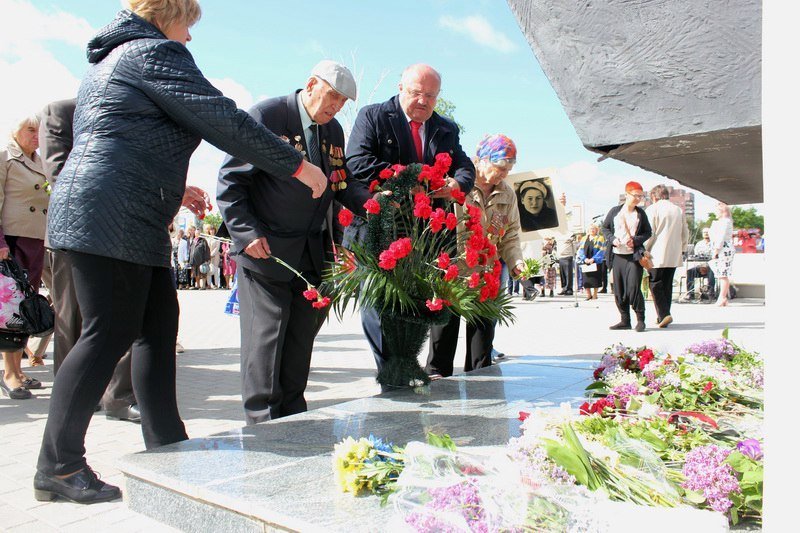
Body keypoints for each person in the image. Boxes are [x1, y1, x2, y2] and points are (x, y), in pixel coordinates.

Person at [36, 0, 328, 505]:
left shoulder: (114, 58)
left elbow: (126, 139)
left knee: (156, 326)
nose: (189, 38)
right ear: (166, 15)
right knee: (106, 334)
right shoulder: (153, 52)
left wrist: (179, 191)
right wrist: (296, 165)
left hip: (127, 212)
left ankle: (167, 444)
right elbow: (222, 118)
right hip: (112, 215)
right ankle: (57, 466)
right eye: (187, 25)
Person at [218, 60, 371, 425]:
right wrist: (246, 232)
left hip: (310, 254)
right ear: (311, 84)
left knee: (300, 341)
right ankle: (263, 423)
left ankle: (293, 418)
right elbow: (230, 182)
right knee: (266, 340)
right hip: (265, 251)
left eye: (342, 102)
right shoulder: (268, 115)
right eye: (332, 95)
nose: (335, 106)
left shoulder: (332, 130)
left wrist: (374, 204)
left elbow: (339, 183)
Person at [345, 64, 475, 377]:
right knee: (379, 303)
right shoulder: (373, 116)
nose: (423, 101)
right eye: (416, 92)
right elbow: (358, 162)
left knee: (415, 305)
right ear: (401, 87)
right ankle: (391, 371)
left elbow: (464, 166)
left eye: (430, 95)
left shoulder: (446, 128)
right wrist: (410, 178)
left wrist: (457, 184)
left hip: (422, 235)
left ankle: (407, 366)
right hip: (380, 229)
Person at [39, 97, 142, 423]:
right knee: (72, 318)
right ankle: (75, 396)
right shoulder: (60, 112)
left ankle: (119, 397)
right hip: (74, 235)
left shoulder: (128, 115)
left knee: (126, 317)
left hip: (124, 234)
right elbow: (59, 175)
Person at [426, 134, 524, 377]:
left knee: (482, 345)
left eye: (508, 169)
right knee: (443, 339)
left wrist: (516, 263)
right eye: (500, 167)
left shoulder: (507, 194)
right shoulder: (459, 182)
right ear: (481, 160)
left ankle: (481, 383)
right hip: (452, 274)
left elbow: (510, 235)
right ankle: (438, 385)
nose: (503, 174)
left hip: (486, 277)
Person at [0, 114, 49, 400]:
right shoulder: (6, 156)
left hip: (36, 240)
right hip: (12, 242)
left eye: (39, 131)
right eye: (30, 130)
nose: (36, 135)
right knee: (11, 312)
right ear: (15, 131)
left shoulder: (41, 162)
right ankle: (9, 373)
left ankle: (18, 370)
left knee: (28, 308)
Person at [601, 181, 652, 332]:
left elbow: (648, 232)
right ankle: (625, 320)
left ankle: (640, 319)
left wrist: (635, 240)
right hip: (617, 256)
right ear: (627, 194)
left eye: (641, 196)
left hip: (633, 256)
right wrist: (612, 240)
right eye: (636, 195)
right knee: (619, 290)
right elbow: (605, 228)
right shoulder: (615, 212)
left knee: (633, 288)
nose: (638, 199)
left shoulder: (640, 214)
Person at [644, 184, 689, 328]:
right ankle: (663, 315)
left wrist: (644, 249)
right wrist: (682, 247)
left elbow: (649, 233)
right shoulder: (677, 209)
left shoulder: (652, 209)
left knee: (655, 283)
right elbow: (685, 231)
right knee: (667, 284)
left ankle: (664, 314)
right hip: (674, 253)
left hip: (657, 252)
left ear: (654, 196)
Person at [709, 202, 735, 306]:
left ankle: (722, 297)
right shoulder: (724, 221)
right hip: (723, 248)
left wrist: (716, 250)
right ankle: (722, 297)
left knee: (723, 274)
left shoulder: (725, 222)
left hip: (723, 249)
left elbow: (720, 237)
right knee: (721, 274)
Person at [682, 227, 716, 300]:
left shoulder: (715, 244)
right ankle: (690, 294)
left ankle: (710, 293)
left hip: (711, 267)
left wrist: (706, 266)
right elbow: (696, 257)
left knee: (711, 269)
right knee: (690, 271)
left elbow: (715, 258)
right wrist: (701, 266)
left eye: (707, 232)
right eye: (704, 232)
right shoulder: (699, 244)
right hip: (700, 266)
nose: (706, 234)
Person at [577, 223, 605, 300]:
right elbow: (580, 250)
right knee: (586, 279)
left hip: (595, 261)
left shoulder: (600, 238)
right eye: (591, 229)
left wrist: (594, 259)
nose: (592, 230)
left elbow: (602, 250)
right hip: (585, 261)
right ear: (588, 230)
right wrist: (584, 258)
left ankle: (595, 295)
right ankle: (588, 295)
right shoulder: (584, 238)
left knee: (595, 279)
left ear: (597, 230)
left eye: (594, 229)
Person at [203, 223, 220, 288]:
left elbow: (217, 248)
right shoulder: (207, 238)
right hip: (208, 257)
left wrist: (211, 254)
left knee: (215, 270)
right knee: (208, 270)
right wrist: (208, 255)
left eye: (213, 230)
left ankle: (216, 284)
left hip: (215, 256)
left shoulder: (217, 238)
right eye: (211, 230)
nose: (212, 231)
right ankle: (209, 284)